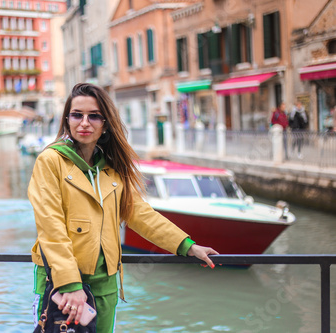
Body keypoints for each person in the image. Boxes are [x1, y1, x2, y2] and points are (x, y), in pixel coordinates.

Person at [28, 83, 218, 332]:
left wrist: (187, 246)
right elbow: (50, 226)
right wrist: (71, 284)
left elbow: (140, 214)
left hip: (105, 284)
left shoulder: (112, 167)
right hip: (61, 284)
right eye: (77, 115)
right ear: (67, 120)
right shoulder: (50, 161)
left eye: (94, 116)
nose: (84, 122)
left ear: (105, 123)